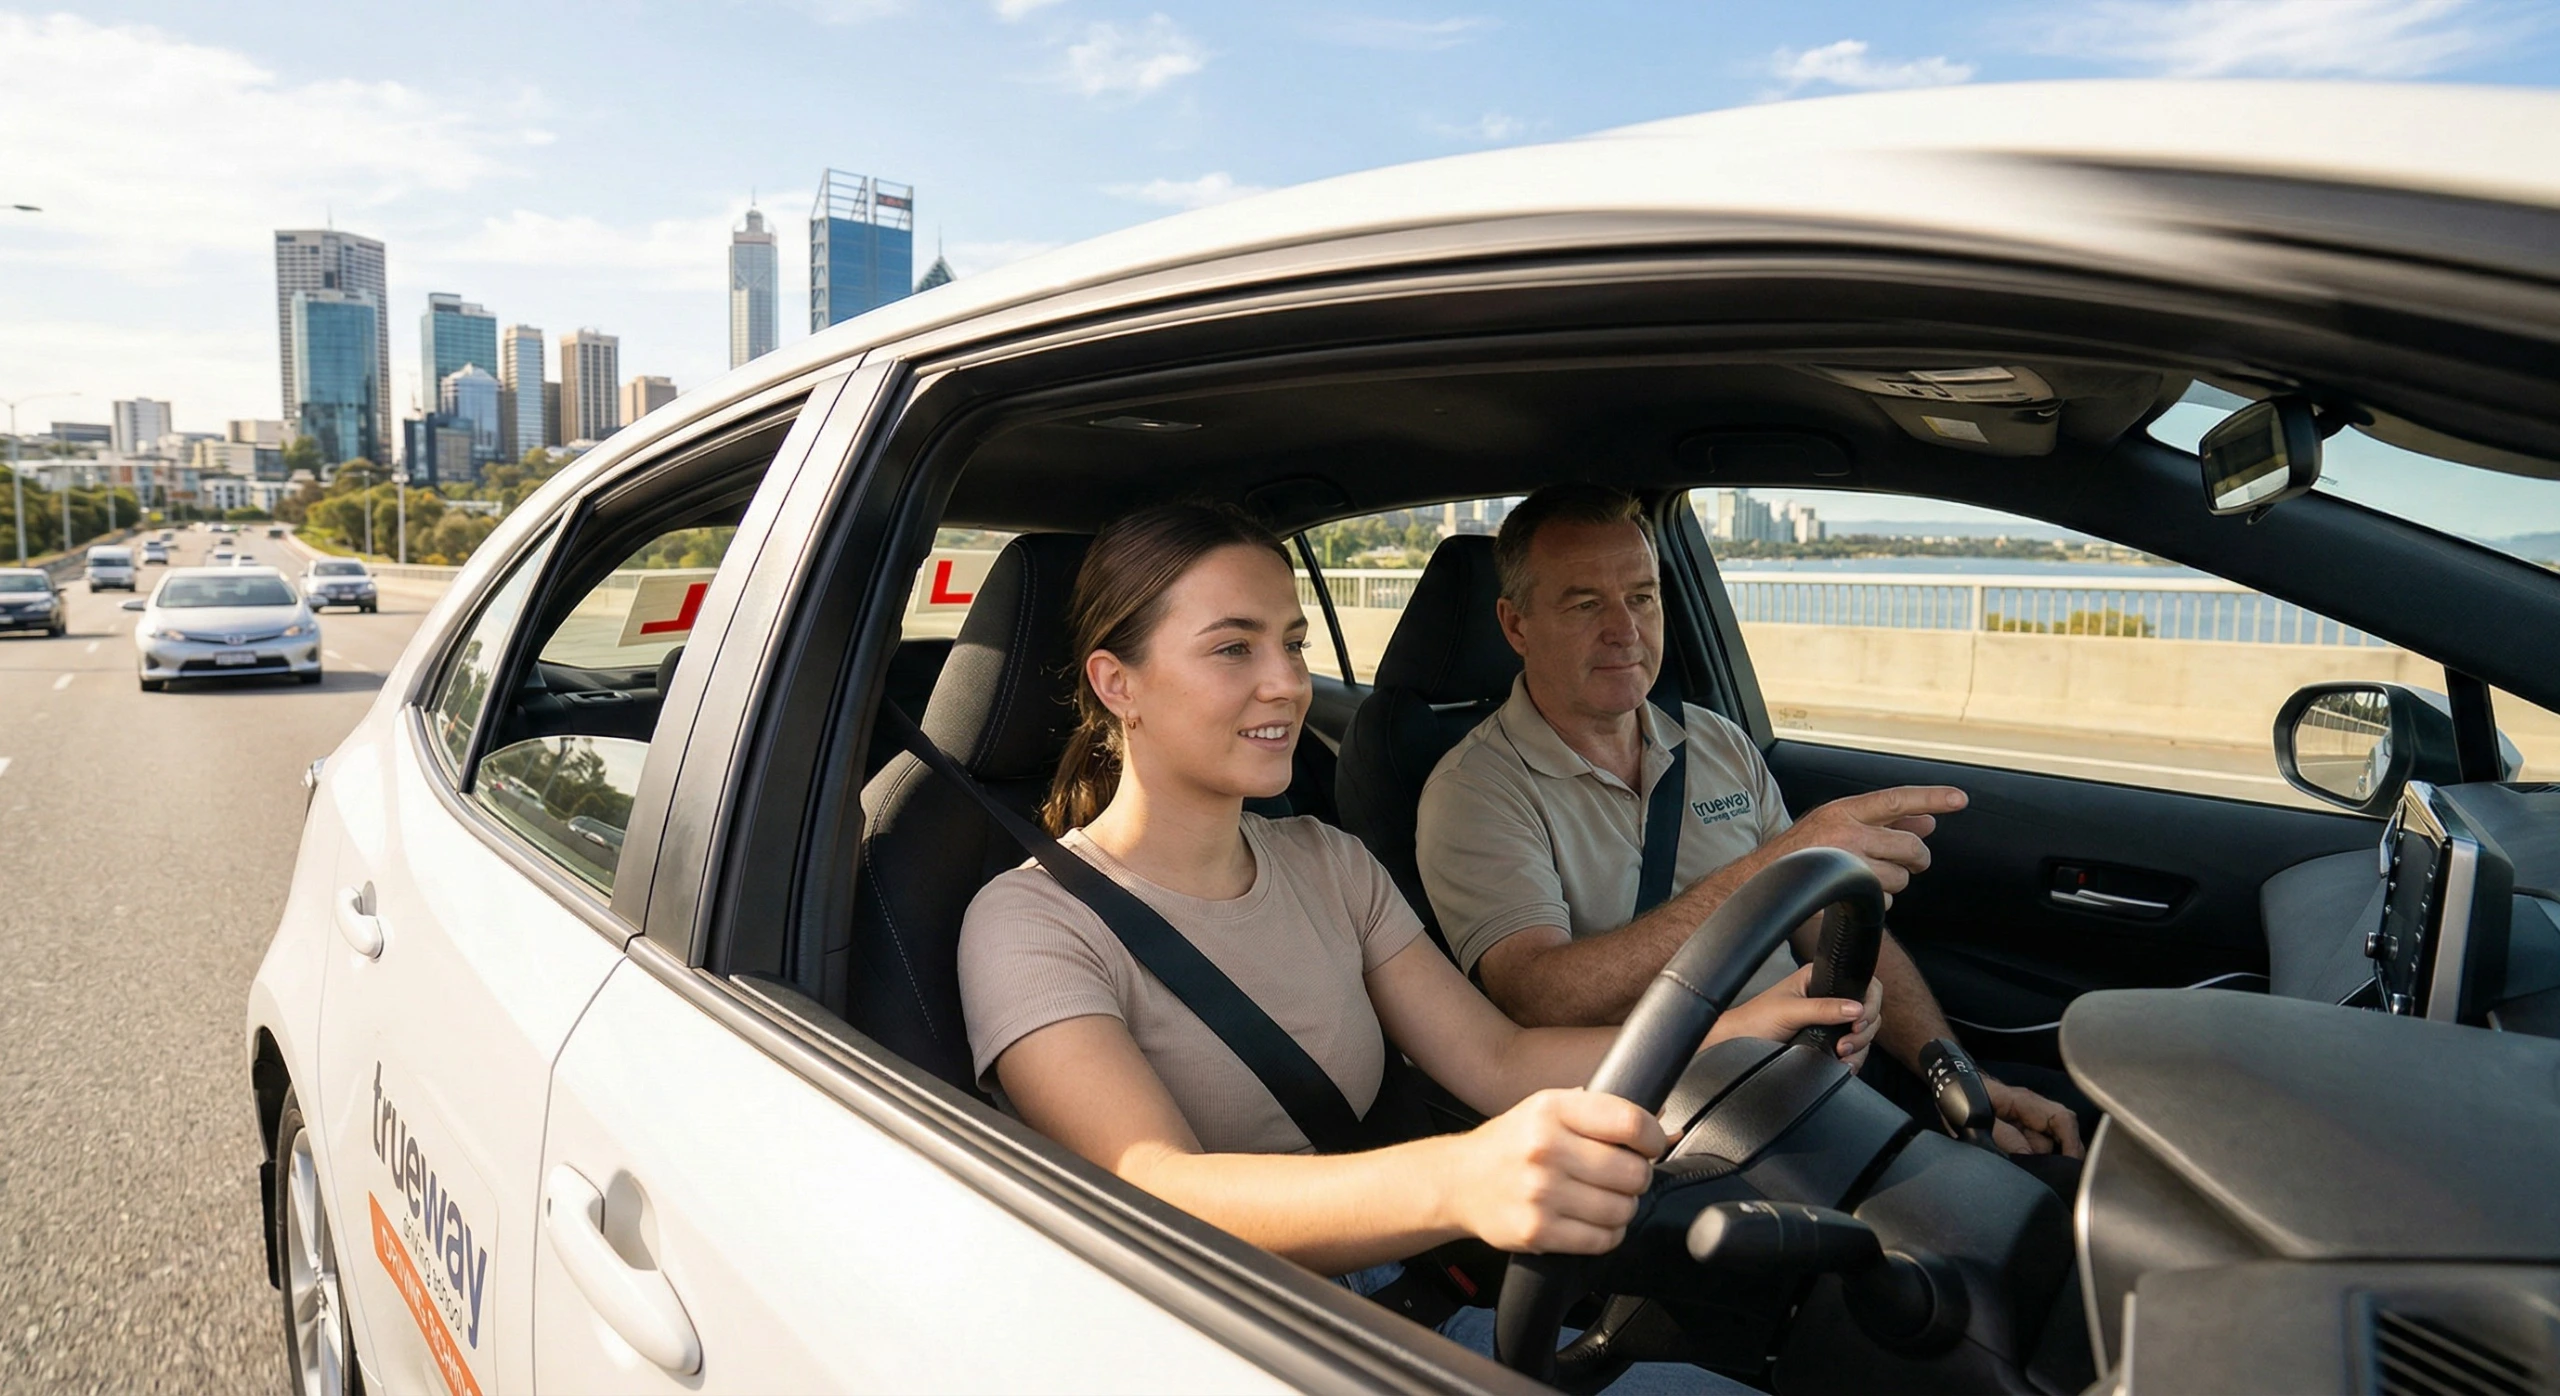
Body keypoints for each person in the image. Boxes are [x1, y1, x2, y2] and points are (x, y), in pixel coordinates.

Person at [958, 504, 1879, 1388]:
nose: (1284, 681)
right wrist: (1459, 1180)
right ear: (1117, 684)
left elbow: (1499, 1056)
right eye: (1233, 647)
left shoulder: (1328, 861)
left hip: (1388, 1300)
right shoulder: (1031, 924)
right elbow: (1159, 1190)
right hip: (1208, 1330)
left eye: (1291, 643)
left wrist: (1732, 1030)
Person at [1415, 484, 2086, 1159]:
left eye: (1642, 598)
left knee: (2091, 1139)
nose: (1625, 629)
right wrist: (1774, 866)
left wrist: (1949, 1070)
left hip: (1827, 1075)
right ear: (1515, 626)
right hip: (1686, 1120)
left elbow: (1832, 923)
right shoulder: (1475, 791)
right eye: (1585, 604)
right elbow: (1537, 995)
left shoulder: (1716, 743)